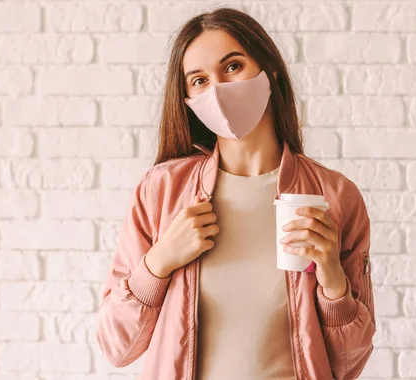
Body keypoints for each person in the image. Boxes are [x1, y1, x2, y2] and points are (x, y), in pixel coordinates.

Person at [96, 7, 376, 380]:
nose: (218, 89)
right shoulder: (161, 192)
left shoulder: (336, 197)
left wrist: (333, 284)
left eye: (232, 67)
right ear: (187, 101)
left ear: (269, 70)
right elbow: (117, 346)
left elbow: (347, 366)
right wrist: (159, 261)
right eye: (198, 80)